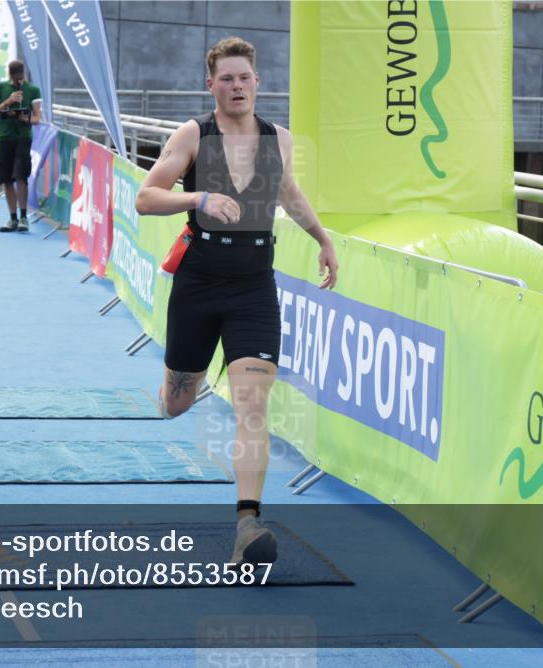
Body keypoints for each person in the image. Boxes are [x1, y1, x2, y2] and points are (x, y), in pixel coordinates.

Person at [135, 37, 339, 566]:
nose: (237, 86)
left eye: (244, 78)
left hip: (253, 287)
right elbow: (146, 197)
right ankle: (175, 387)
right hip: (199, 281)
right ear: (212, 86)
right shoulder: (192, 135)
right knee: (177, 402)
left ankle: (248, 524)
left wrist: (323, 238)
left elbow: (288, 192)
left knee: (252, 405)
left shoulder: (279, 139)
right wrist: (197, 196)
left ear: (258, 82)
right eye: (226, 79)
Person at [0, 60, 42, 232]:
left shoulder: (33, 90)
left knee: (21, 177)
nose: (17, 82)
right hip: (4, 138)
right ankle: (12, 218)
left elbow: (37, 119)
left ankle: (24, 218)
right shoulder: (1, 87)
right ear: (10, 75)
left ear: (23, 75)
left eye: (19, 78)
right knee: (6, 179)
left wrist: (23, 118)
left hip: (23, 138)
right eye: (14, 79)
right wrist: (7, 102)